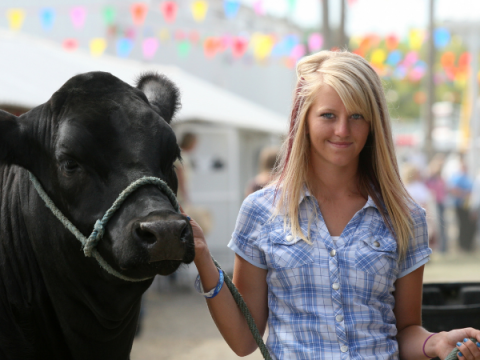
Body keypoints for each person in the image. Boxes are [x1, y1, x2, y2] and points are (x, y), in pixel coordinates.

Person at [184, 51, 480, 359]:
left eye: (357, 116)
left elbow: (405, 330)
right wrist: (204, 259)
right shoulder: (261, 211)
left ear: (373, 123)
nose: (342, 130)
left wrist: (434, 342)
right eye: (328, 115)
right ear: (305, 120)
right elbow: (245, 340)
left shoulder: (405, 215)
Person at [449, 158, 476, 252]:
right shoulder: (457, 177)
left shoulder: (467, 177)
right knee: (462, 225)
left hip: (467, 205)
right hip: (460, 205)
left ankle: (468, 245)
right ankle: (462, 246)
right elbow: (454, 190)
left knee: (468, 225)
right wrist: (465, 193)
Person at [425, 154, 449, 253]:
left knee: (442, 225)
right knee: (435, 226)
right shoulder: (429, 179)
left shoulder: (441, 178)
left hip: (441, 203)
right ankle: (435, 247)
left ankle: (443, 248)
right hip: (433, 204)